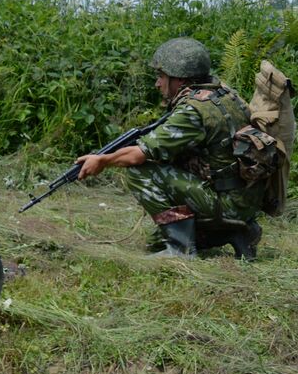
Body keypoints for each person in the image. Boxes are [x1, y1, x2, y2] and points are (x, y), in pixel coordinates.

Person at [76, 37, 266, 260]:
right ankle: (239, 231)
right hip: (244, 199)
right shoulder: (221, 93)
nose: (157, 83)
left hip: (226, 203)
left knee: (140, 172)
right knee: (155, 243)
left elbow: (138, 156)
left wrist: (102, 160)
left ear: (180, 79)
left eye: (161, 76)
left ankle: (181, 250)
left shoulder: (193, 111)